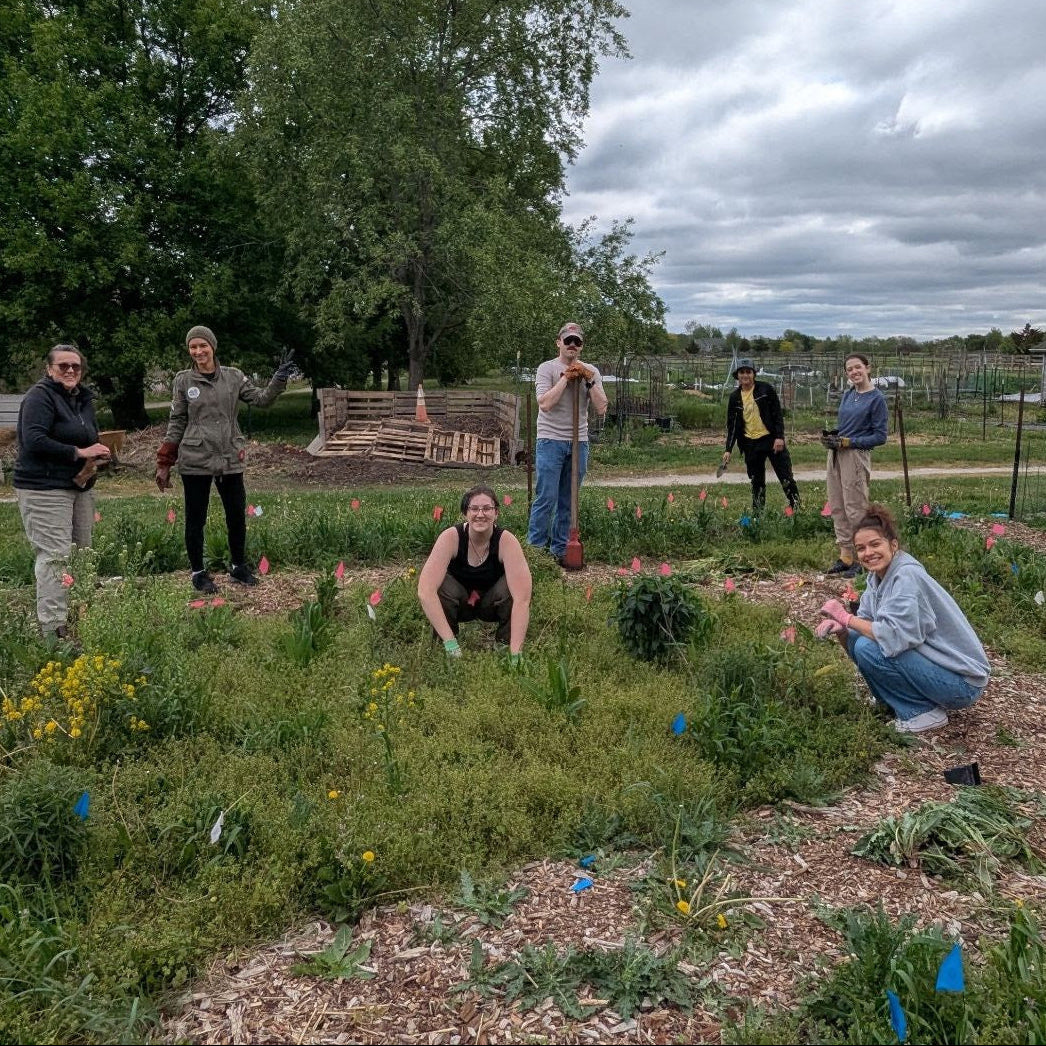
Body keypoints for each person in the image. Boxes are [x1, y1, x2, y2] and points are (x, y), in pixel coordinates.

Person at [817, 504, 989, 734]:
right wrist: (842, 630)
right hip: (937, 668)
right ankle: (891, 701)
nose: (868, 553)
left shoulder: (907, 576)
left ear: (893, 545)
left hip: (962, 683)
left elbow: (891, 636)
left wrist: (845, 616)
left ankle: (920, 711)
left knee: (869, 646)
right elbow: (863, 627)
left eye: (875, 544)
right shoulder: (876, 578)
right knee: (858, 638)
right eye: (861, 548)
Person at [155, 325, 294, 593]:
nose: (198, 352)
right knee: (196, 518)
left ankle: (239, 567)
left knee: (236, 516)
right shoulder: (184, 381)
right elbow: (177, 421)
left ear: (213, 346)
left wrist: (278, 379)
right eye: (193, 347)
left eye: (202, 346)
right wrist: (164, 462)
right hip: (196, 458)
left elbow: (261, 400)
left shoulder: (233, 377)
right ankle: (198, 572)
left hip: (230, 456)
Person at [14, 344, 112, 638]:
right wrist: (79, 452)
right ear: (49, 369)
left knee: (82, 554)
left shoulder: (81, 399)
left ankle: (78, 620)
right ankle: (53, 630)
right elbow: (33, 440)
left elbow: (88, 436)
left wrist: (98, 455)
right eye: (63, 366)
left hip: (78, 485)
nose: (70, 371)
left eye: (76, 366)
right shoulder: (39, 397)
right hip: (44, 487)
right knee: (54, 556)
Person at [418, 484, 532, 662]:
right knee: (439, 586)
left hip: (490, 603)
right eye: (474, 509)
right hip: (460, 603)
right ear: (465, 513)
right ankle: (446, 645)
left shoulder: (506, 541)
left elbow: (522, 600)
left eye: (487, 508)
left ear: (496, 513)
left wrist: (516, 651)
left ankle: (504, 646)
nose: (481, 514)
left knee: (513, 588)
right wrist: (450, 643)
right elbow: (425, 591)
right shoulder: (451, 537)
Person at [526, 322, 608, 564]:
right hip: (550, 441)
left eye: (577, 341)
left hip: (578, 443)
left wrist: (589, 381)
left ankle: (561, 549)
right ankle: (536, 550)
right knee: (546, 497)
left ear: (581, 346)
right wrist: (565, 378)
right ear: (558, 343)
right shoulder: (546, 368)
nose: (572, 344)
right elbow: (545, 404)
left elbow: (602, 407)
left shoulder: (590, 371)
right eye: (568, 340)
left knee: (569, 500)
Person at [822, 353, 888, 576]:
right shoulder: (849, 394)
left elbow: (880, 436)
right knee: (837, 504)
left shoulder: (876, 399)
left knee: (856, 507)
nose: (854, 372)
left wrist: (851, 441)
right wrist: (836, 436)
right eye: (849, 369)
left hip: (856, 455)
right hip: (837, 452)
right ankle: (846, 555)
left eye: (858, 367)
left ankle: (864, 556)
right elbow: (847, 425)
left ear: (868, 368)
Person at [721, 358, 799, 513]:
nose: (745, 376)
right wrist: (728, 449)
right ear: (737, 376)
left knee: (785, 477)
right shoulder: (735, 397)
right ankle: (758, 514)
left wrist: (779, 437)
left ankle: (796, 506)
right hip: (750, 444)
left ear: (754, 374)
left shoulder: (765, 389)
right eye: (742, 372)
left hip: (771, 440)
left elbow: (777, 414)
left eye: (748, 372)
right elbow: (733, 425)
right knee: (757, 481)